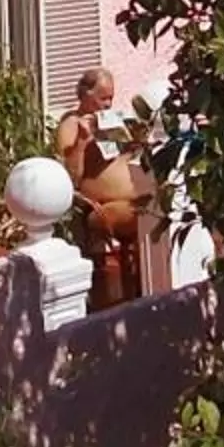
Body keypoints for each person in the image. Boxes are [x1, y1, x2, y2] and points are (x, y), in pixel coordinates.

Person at [54, 67, 154, 310]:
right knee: (148, 216)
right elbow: (71, 176)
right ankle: (145, 289)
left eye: (111, 97)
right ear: (86, 94)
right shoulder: (71, 123)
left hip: (132, 195)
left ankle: (151, 284)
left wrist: (135, 142)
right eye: (103, 98)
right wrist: (81, 141)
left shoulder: (109, 120)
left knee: (157, 209)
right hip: (101, 207)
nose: (108, 104)